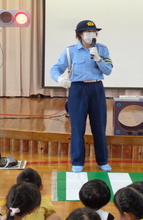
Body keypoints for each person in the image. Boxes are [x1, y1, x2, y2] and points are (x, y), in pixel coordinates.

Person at [50, 20, 113, 172]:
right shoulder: (70, 51)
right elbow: (56, 68)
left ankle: (102, 160)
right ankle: (78, 162)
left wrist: (98, 58)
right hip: (78, 89)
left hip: (96, 87)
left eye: (93, 32)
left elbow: (108, 70)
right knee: (77, 127)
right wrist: (59, 79)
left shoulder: (102, 49)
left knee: (99, 126)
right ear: (79, 34)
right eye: (87, 32)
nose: (91, 34)